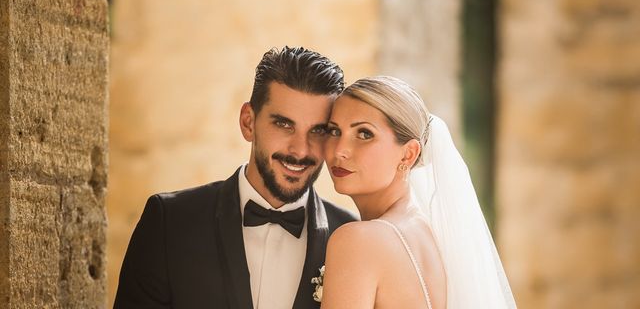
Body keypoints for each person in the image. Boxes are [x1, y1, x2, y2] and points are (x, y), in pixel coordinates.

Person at [114, 46, 357, 309]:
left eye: (318, 130)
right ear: (248, 122)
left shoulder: (351, 239)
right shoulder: (169, 223)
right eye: (284, 124)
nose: (300, 150)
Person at [320, 76, 517, 309]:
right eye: (333, 131)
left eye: (364, 134)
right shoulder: (429, 231)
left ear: (408, 154)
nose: (340, 150)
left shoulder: (359, 240)